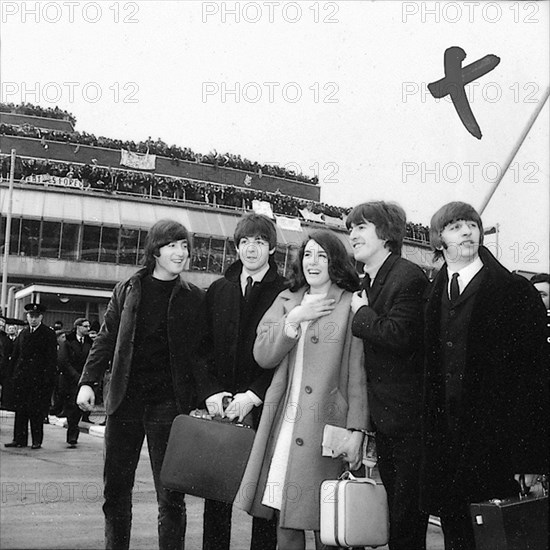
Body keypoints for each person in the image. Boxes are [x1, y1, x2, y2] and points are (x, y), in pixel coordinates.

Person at [421, 202, 549, 550]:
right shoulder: (433, 294)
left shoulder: (514, 293)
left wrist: (530, 458)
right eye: (455, 226)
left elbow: (535, 380)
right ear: (438, 240)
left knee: (495, 539)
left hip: (496, 449)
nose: (466, 231)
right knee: (456, 537)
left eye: (471, 225)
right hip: (446, 447)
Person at [76, 219, 207, 550]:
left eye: (185, 247)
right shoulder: (127, 289)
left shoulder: (194, 297)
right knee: (116, 490)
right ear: (155, 250)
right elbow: (105, 339)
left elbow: (202, 354)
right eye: (173, 246)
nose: (181, 253)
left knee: (171, 496)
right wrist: (88, 381)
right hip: (125, 402)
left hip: (168, 405)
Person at [237, 230, 369, 550]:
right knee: (287, 521)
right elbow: (263, 355)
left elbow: (358, 375)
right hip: (284, 425)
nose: (313, 262)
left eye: (322, 256)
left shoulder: (350, 303)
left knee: (330, 528)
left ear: (335, 262)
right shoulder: (287, 300)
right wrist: (294, 319)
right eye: (308, 254)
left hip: (328, 426)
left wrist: (357, 430)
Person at [198, 213, 287, 550]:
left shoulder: (285, 293)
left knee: (263, 499)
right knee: (216, 495)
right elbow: (201, 349)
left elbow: (284, 354)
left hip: (264, 405)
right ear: (236, 247)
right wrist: (211, 392)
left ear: (273, 248)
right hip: (221, 406)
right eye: (245, 242)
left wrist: (254, 394)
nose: (251, 249)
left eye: (260, 242)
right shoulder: (219, 290)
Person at [346, 201, 429, 550]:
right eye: (351, 228)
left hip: (409, 423)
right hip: (386, 420)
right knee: (395, 516)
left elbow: (399, 335)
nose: (353, 234)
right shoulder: (371, 278)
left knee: (406, 521)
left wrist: (362, 313)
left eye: (361, 227)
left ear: (386, 234)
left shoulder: (407, 276)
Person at [4, 303, 57, 449]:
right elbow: (16, 356)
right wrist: (12, 375)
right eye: (30, 316)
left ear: (41, 317)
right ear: (27, 317)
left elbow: (51, 359)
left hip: (38, 380)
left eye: (36, 316)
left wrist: (47, 380)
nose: (33, 319)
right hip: (22, 379)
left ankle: (36, 440)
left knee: (36, 411)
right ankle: (19, 439)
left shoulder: (48, 334)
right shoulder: (23, 333)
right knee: (20, 411)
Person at [58, 318, 93, 447]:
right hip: (69, 380)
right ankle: (72, 434)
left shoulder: (89, 342)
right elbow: (63, 362)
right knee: (71, 407)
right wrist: (76, 376)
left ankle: (73, 434)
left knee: (78, 409)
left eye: (88, 326)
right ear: (77, 327)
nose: (87, 329)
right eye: (85, 326)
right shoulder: (67, 341)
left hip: (83, 380)